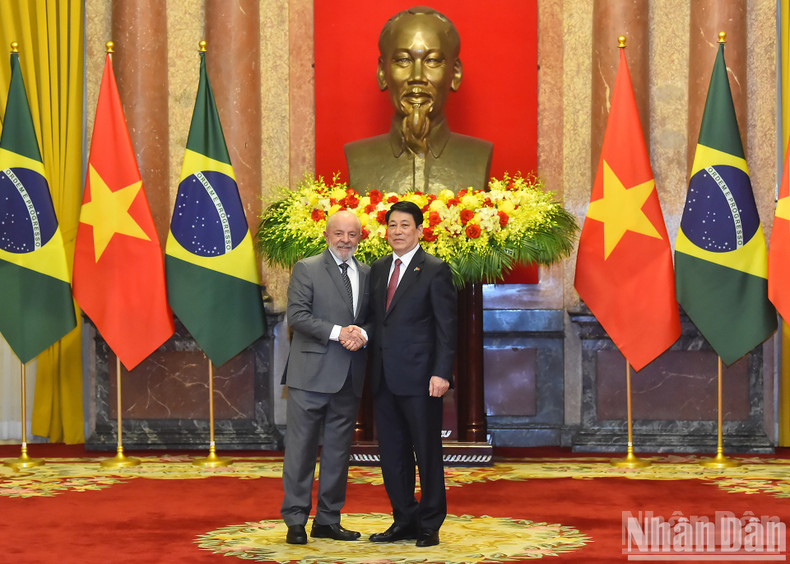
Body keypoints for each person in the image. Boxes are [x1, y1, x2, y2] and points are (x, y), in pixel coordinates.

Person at [367, 201, 457, 547]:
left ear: (420, 230)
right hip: (383, 377)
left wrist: (441, 373)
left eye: (405, 225)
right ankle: (403, 518)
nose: (398, 231)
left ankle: (430, 523)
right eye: (392, 225)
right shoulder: (377, 268)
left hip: (422, 379)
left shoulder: (434, 269)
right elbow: (377, 318)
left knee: (427, 452)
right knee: (392, 454)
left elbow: (446, 327)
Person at [280, 210, 370, 545]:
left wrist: (361, 332)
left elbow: (374, 318)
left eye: (352, 235)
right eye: (339, 234)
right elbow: (297, 315)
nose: (345, 240)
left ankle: (328, 520)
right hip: (310, 376)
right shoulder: (307, 267)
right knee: (300, 451)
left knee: (337, 453)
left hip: (349, 376)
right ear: (327, 235)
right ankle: (296, 520)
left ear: (360, 238)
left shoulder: (367, 271)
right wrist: (338, 332)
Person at [344, 6, 492, 195]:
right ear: (382, 73)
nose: (417, 76)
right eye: (403, 60)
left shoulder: (478, 156)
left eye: (432, 61)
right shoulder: (359, 157)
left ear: (455, 73)